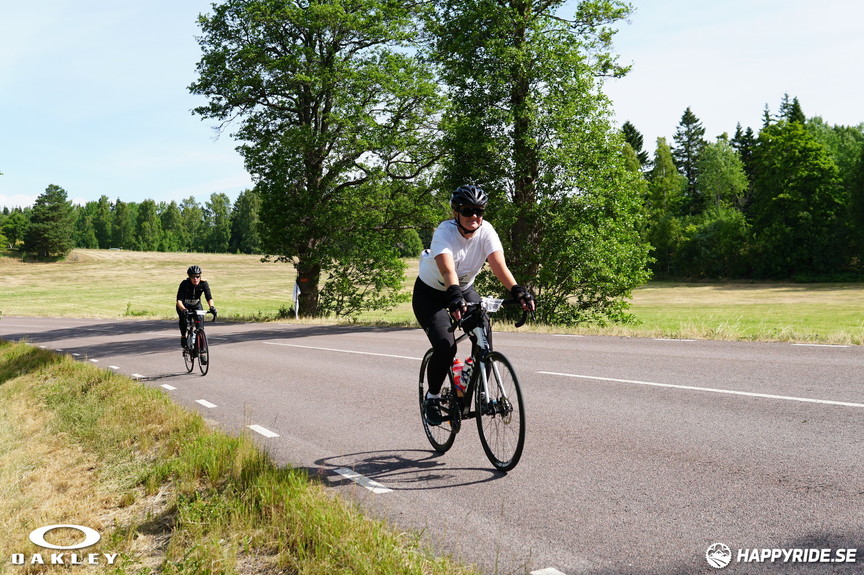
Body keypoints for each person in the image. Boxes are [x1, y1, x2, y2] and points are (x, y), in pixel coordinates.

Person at [412, 185, 535, 425]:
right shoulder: (444, 232)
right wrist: (455, 296)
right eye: (469, 211)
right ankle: (433, 397)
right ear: (456, 212)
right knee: (446, 347)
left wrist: (518, 290)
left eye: (479, 211)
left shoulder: (486, 230)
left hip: (463, 289)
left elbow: (499, 265)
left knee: (483, 335)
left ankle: (476, 387)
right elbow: (448, 269)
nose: (475, 217)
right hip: (432, 293)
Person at [176, 265, 217, 349]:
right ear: (189, 277)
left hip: (196, 305)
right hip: (184, 305)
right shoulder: (184, 284)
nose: (196, 279)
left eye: (197, 276)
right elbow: (179, 301)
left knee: (200, 328)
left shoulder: (203, 284)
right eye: (193, 277)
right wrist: (184, 309)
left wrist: (212, 307)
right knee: (183, 320)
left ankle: (201, 351)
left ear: (200, 276)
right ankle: (183, 337)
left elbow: (209, 298)